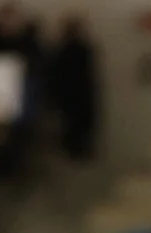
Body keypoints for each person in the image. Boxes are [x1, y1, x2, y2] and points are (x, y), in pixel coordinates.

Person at [46, 15, 100, 162]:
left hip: (68, 103)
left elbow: (54, 79)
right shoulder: (82, 50)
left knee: (71, 141)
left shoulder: (61, 50)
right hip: (77, 102)